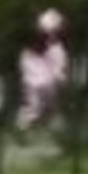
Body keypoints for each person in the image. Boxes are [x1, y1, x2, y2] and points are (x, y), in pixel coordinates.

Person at [16, 9, 73, 140]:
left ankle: (59, 135)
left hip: (46, 84)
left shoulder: (57, 49)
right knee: (35, 107)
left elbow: (58, 69)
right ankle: (23, 130)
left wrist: (60, 78)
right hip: (36, 80)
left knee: (50, 109)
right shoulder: (31, 53)